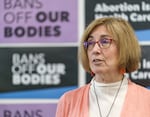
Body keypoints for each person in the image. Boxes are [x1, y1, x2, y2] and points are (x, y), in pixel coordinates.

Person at [56, 17, 150, 117]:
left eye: (104, 41)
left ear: (124, 47)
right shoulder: (68, 101)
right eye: (91, 43)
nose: (95, 50)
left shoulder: (147, 100)